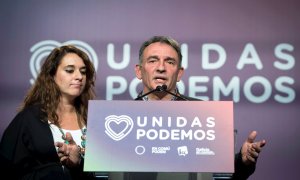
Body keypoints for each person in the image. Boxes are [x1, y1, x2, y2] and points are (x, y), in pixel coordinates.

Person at [126, 36, 266, 180]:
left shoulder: (202, 115)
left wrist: (242, 162)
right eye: (153, 60)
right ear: (139, 71)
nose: (161, 68)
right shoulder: (123, 114)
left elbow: (219, 173)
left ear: (179, 73)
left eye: (169, 62)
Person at [0, 45, 96, 180]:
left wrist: (78, 164)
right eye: (69, 70)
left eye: (83, 71)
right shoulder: (29, 119)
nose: (79, 76)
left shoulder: (95, 118)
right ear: (52, 75)